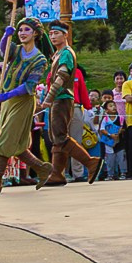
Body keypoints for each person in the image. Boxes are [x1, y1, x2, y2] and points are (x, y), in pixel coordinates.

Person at [0, 20, 51, 194]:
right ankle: (42, 168)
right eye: (20, 30)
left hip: (22, 102)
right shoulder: (17, 50)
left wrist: (8, 94)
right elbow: (3, 51)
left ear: (35, 33)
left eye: (26, 30)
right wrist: (6, 35)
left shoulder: (40, 59)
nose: (22, 33)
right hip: (7, 102)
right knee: (16, 143)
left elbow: (30, 85)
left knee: (5, 140)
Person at [40, 23, 79, 187]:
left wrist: (49, 96)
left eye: (57, 33)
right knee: (56, 136)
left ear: (65, 35)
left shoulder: (66, 53)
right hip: (57, 98)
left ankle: (90, 162)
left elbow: (62, 76)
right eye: (51, 34)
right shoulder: (57, 53)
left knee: (60, 137)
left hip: (62, 97)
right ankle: (57, 173)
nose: (53, 36)